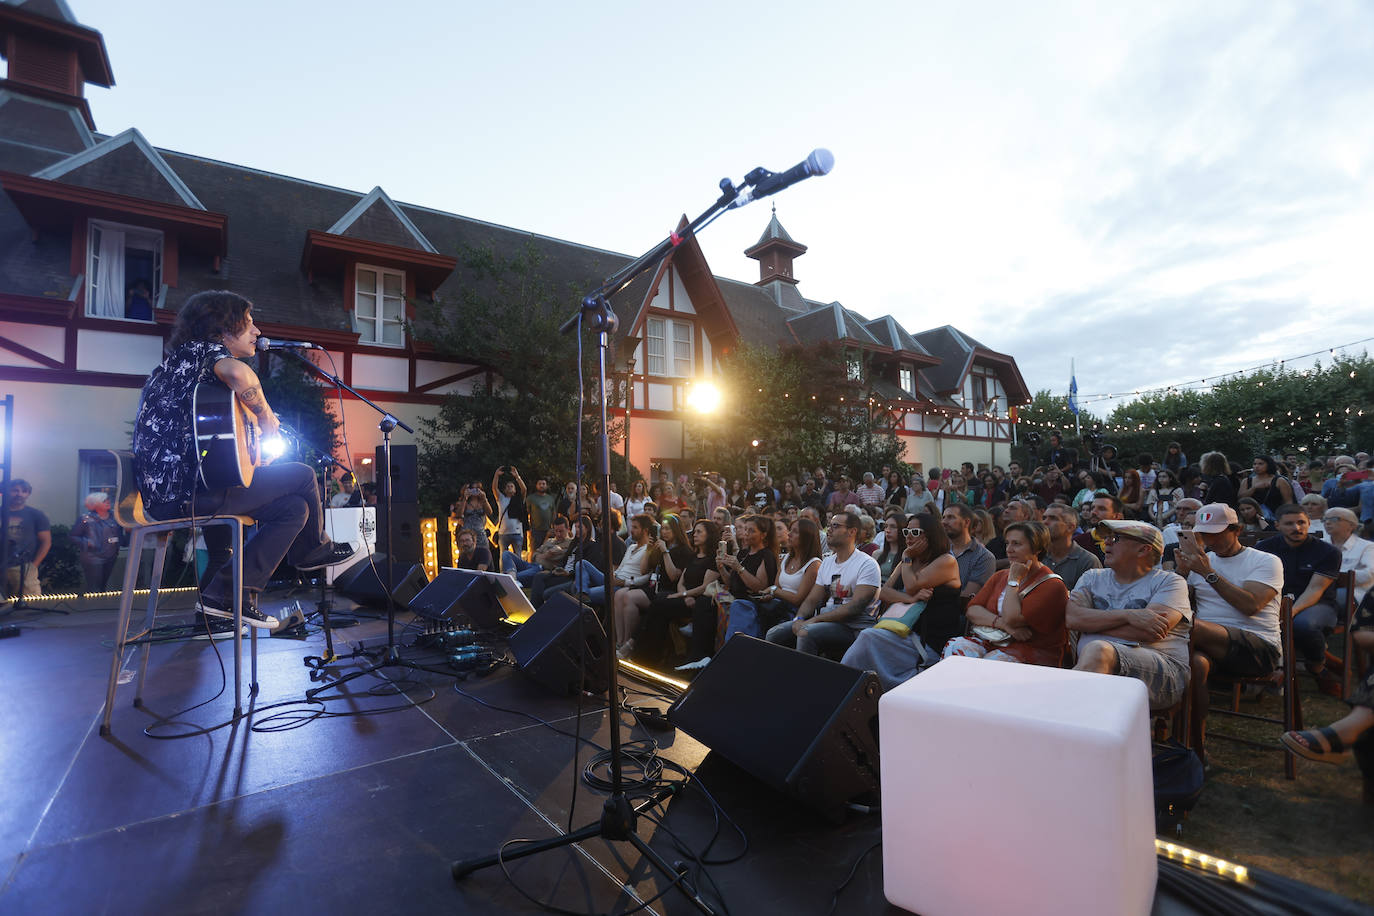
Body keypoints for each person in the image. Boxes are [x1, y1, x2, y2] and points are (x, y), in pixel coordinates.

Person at [130, 291, 351, 628]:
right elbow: (240, 375)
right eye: (248, 323)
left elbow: (211, 438)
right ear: (222, 328)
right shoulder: (203, 352)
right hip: (184, 494)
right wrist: (264, 418)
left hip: (184, 490)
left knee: (295, 509)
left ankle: (226, 593)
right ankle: (311, 551)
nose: (258, 331)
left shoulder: (182, 365)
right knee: (304, 475)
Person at [1176, 504, 1284, 755]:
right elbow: (1179, 603)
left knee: (1185, 626)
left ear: (1238, 530)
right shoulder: (1201, 561)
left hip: (1258, 647)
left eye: (1217, 532)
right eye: (1204, 534)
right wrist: (1181, 575)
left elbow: (1250, 605)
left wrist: (1208, 573)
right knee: (1194, 664)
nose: (1210, 539)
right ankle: (1194, 748)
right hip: (1209, 645)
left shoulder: (1266, 561)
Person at [1069, 520, 1192, 709]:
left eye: (1115, 538)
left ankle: (1066, 722)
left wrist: (1091, 622)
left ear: (1143, 550)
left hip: (1162, 674)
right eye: (1106, 538)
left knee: (1099, 650)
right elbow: (1073, 619)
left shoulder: (1169, 582)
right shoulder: (1092, 577)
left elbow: (1148, 633)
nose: (1106, 543)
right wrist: (1129, 616)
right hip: (1094, 667)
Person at [839, 514, 962, 690]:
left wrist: (906, 557)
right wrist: (909, 598)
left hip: (927, 641)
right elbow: (884, 592)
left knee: (868, 636)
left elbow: (911, 585)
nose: (909, 536)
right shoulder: (909, 561)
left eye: (915, 531)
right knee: (868, 637)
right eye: (906, 531)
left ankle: (845, 686)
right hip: (900, 634)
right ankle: (848, 688)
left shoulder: (946, 561)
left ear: (931, 535)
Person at [943, 520, 1069, 666]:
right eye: (1007, 543)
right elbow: (972, 610)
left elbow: (1012, 619)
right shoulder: (1000, 575)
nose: (1009, 549)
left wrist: (1013, 581)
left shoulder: (1051, 585)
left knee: (994, 662)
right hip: (995, 641)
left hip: (1034, 650)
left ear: (1037, 549)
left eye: (1017, 544)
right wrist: (1002, 624)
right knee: (955, 646)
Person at [766, 510, 882, 658]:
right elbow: (812, 599)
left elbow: (855, 607)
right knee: (774, 634)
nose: (829, 530)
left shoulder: (867, 564)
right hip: (827, 620)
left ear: (852, 532)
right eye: (829, 526)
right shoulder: (827, 563)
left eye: (835, 526)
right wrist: (799, 618)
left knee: (806, 633)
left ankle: (804, 679)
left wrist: (814, 620)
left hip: (853, 627)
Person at [1257, 504, 1343, 695]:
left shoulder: (1328, 552)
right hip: (1274, 603)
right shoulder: (1264, 549)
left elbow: (1315, 589)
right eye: (1289, 524)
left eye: (1301, 522)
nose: (1297, 528)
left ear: (1309, 523)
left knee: (1301, 625)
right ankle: (1263, 674)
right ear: (1277, 525)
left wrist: (1289, 612)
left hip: (1319, 604)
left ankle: (1317, 667)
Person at [696, 515, 782, 669]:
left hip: (750, 603)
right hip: (735, 596)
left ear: (763, 535)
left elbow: (759, 587)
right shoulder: (743, 553)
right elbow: (732, 582)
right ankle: (703, 655)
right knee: (704, 601)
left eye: (751, 531)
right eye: (746, 529)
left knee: (731, 606)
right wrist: (722, 568)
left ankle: (727, 659)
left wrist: (739, 568)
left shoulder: (766, 555)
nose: (746, 533)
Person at [633, 520, 722, 666]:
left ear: (709, 534)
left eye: (699, 532)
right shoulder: (694, 556)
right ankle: (648, 656)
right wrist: (684, 594)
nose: (695, 534)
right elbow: (681, 581)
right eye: (695, 531)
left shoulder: (712, 558)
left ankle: (644, 654)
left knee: (660, 602)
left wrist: (683, 595)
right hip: (686, 597)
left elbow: (706, 586)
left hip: (700, 600)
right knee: (659, 604)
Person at [614, 513, 691, 659]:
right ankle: (621, 641)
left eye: (668, 529)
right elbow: (644, 570)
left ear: (676, 530)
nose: (664, 532)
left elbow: (673, 576)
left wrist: (665, 552)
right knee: (620, 594)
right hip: (654, 586)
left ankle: (630, 645)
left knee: (629, 597)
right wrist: (649, 550)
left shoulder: (683, 550)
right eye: (663, 529)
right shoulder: (659, 546)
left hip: (669, 590)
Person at [4, 478, 50, 598]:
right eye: (15, 490)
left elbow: (46, 541)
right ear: (7, 491)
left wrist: (34, 565)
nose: (19, 494)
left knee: (29, 606)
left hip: (24, 567)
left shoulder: (36, 515)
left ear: (28, 494)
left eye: (24, 491)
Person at [1041, 504, 1102, 590]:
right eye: (1044, 518)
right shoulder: (1036, 555)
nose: (1045, 522)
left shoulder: (1087, 561)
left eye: (1053, 518)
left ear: (1070, 527)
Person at [71, 492, 120, 594]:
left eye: (108, 500)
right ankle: (94, 606)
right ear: (94, 504)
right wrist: (87, 542)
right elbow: (73, 536)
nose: (107, 502)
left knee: (103, 586)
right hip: (92, 557)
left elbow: (121, 534)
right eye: (103, 501)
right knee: (94, 587)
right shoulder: (85, 519)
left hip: (111, 555)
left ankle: (101, 606)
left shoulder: (115, 518)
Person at [941, 504, 995, 598]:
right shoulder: (940, 550)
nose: (944, 522)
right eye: (944, 517)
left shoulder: (984, 557)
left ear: (966, 522)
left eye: (951, 517)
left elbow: (966, 597)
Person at [1238, 456, 1294, 521]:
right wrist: (1254, 488)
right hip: (1251, 519)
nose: (1256, 466)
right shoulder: (1246, 481)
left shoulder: (1279, 481)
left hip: (1275, 517)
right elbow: (1240, 498)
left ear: (1269, 465)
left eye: (1260, 464)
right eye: (1254, 464)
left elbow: (1288, 501)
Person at [491, 465, 528, 560]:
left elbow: (524, 489)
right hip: (503, 533)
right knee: (503, 557)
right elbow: (494, 488)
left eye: (512, 486)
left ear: (515, 489)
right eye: (508, 486)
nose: (510, 488)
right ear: (504, 490)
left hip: (517, 533)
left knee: (518, 557)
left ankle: (519, 574)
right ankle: (504, 573)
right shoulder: (501, 499)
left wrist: (517, 477)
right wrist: (496, 476)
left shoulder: (519, 500)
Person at [872, 514, 908, 580]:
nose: (887, 530)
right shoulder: (877, 554)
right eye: (886, 526)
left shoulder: (907, 556)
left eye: (893, 527)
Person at [526, 477, 557, 551]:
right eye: (539, 484)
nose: (541, 486)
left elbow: (553, 513)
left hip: (548, 530)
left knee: (547, 551)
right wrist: (529, 528)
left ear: (546, 486)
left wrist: (554, 528)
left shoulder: (550, 498)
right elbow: (526, 513)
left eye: (543, 484)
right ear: (536, 485)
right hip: (536, 531)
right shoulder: (531, 498)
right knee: (535, 551)